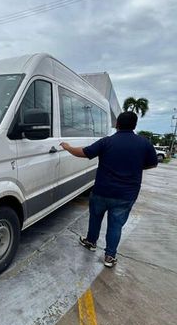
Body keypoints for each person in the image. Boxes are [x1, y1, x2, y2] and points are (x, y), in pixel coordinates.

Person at [60, 111, 158, 268]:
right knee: (115, 225)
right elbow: (153, 163)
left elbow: (84, 153)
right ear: (134, 125)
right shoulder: (144, 143)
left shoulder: (107, 142)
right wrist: (136, 167)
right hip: (126, 194)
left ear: (117, 124)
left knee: (95, 218)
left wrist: (68, 147)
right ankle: (109, 257)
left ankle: (91, 242)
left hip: (102, 191)